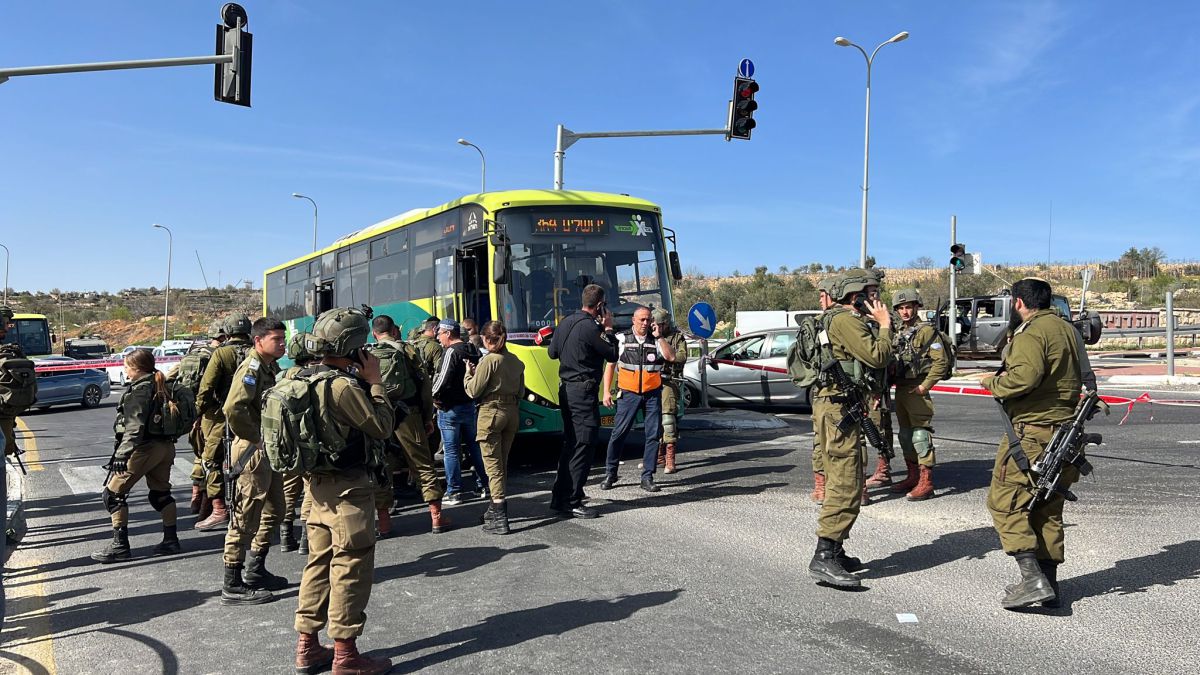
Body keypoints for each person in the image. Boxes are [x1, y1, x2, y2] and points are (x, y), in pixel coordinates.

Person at [293, 307, 395, 675]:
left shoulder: (300, 376)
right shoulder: (343, 386)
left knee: (317, 564)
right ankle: (346, 655)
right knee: (351, 565)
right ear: (353, 345)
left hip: (314, 488)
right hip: (348, 491)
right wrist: (376, 380)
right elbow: (381, 426)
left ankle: (307, 644)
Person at [981, 278, 1083, 610]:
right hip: (1066, 433)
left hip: (1033, 433)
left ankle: (1032, 579)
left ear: (1019, 303)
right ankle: (1049, 584)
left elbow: (1023, 377)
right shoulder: (1066, 329)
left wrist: (991, 382)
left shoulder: (1032, 331)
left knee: (1004, 503)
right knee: (1047, 508)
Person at [807, 272, 892, 589]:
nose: (877, 300)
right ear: (855, 295)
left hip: (840, 406)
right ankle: (824, 556)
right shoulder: (846, 321)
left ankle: (836, 550)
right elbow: (878, 356)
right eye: (871, 293)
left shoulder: (839, 319)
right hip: (839, 409)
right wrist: (884, 324)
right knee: (844, 481)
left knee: (850, 477)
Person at [219, 317, 288, 605]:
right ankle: (232, 583)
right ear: (258, 340)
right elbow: (233, 408)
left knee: (275, 509)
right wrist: (254, 437)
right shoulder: (252, 366)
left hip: (266, 449)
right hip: (252, 451)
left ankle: (255, 568)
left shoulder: (269, 366)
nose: (282, 344)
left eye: (283, 339)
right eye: (277, 339)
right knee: (244, 516)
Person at [91, 349, 182, 562]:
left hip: (144, 448)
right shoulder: (162, 384)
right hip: (165, 447)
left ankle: (120, 546)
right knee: (160, 494)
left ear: (137, 369)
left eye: (127, 367)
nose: (125, 370)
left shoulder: (140, 390)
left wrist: (122, 455)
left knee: (113, 495)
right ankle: (171, 541)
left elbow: (134, 427)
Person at [367, 315, 451, 536]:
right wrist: (426, 417)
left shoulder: (368, 354)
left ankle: (384, 523)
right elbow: (424, 385)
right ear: (394, 331)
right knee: (423, 464)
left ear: (375, 333)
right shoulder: (408, 351)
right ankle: (436, 518)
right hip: (409, 416)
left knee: (381, 468)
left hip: (380, 418)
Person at [547, 283, 618, 518]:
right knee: (583, 445)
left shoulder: (566, 322)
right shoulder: (591, 328)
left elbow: (552, 353)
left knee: (571, 444)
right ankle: (573, 500)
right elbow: (612, 354)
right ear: (599, 305)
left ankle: (560, 497)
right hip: (583, 392)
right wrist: (608, 330)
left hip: (566, 390)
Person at [600, 306, 676, 493]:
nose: (645, 323)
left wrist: (659, 337)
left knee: (652, 436)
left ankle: (647, 477)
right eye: (641, 319)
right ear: (633, 320)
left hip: (652, 394)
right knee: (619, 433)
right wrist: (606, 392)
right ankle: (611, 473)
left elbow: (671, 357)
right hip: (628, 394)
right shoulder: (622, 339)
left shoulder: (656, 340)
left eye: (648, 320)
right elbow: (610, 365)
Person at [194, 314, 255, 531]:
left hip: (223, 416)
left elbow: (206, 387)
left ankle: (219, 509)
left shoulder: (221, 353)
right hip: (253, 417)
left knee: (211, 461)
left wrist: (200, 411)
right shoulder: (257, 354)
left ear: (227, 332)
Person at [887, 289, 949, 501]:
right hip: (902, 388)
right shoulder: (899, 332)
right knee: (905, 436)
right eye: (901, 308)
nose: (904, 312)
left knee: (920, 435)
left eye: (908, 307)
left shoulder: (926, 332)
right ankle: (912, 476)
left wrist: (925, 386)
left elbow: (941, 362)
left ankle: (926, 481)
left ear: (916, 307)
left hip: (917, 388)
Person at [465, 320, 525, 534]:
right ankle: (493, 508)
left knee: (493, 466)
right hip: (511, 413)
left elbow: (473, 391)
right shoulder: (516, 361)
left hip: (491, 413)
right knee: (502, 462)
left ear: (487, 339)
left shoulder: (488, 361)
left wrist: (468, 374)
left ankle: (499, 513)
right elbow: (521, 392)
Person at [170, 321, 227, 518]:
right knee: (211, 459)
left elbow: (172, 378)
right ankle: (207, 504)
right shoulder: (221, 356)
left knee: (200, 456)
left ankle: (196, 498)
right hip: (212, 413)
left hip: (195, 413)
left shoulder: (193, 355)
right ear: (222, 337)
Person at [431, 319, 487, 505]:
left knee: (452, 451)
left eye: (439, 334)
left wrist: (432, 396)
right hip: (470, 405)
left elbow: (443, 379)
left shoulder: (451, 352)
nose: (438, 338)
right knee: (475, 448)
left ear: (448, 333)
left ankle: (454, 492)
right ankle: (484, 485)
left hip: (450, 408)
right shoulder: (473, 349)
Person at [280, 332, 317, 553]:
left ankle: (286, 535)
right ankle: (305, 536)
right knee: (311, 486)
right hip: (308, 440)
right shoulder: (314, 377)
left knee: (288, 487)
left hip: (285, 441)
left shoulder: (281, 376)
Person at [809, 275, 841, 505]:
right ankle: (821, 486)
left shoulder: (846, 321)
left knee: (850, 443)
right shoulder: (817, 324)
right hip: (823, 391)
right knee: (819, 441)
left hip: (845, 393)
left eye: (823, 295)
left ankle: (853, 488)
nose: (820, 300)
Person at [653, 308, 688, 474]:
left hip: (669, 381)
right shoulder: (648, 336)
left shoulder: (677, 338)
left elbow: (680, 357)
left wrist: (662, 342)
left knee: (668, 420)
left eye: (659, 325)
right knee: (653, 421)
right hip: (651, 381)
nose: (656, 327)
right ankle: (657, 457)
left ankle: (670, 459)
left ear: (665, 324)